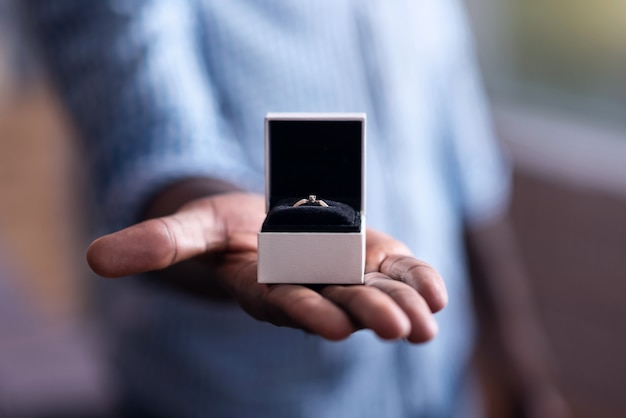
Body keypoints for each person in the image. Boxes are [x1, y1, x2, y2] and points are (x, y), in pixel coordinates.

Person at [21, 1, 569, 417]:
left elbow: (462, 161)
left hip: (440, 387)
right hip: (230, 397)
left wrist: (518, 362)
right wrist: (215, 218)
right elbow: (149, 138)